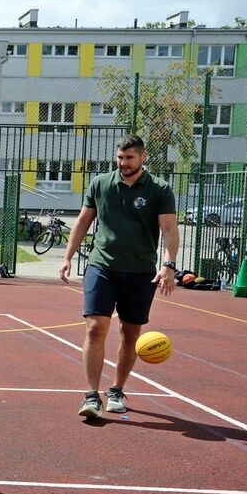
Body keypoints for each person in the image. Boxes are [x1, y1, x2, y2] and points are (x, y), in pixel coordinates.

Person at [59, 134, 178, 418]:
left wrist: (169, 265)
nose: (123, 163)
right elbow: (83, 221)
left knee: (130, 333)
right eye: (120, 158)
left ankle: (116, 390)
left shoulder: (160, 189)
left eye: (129, 158)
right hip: (102, 266)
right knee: (95, 327)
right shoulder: (100, 184)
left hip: (140, 271)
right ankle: (90, 396)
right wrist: (67, 256)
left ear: (143, 157)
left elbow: (170, 230)